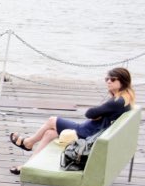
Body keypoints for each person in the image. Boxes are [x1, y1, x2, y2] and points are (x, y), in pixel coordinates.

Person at [7, 67, 135, 174]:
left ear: (122, 81)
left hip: (86, 133)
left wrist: (98, 114)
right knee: (49, 133)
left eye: (112, 79)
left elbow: (89, 113)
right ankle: (28, 166)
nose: (108, 82)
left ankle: (28, 142)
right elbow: (96, 114)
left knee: (52, 120)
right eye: (107, 79)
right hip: (92, 132)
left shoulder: (117, 101)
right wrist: (100, 114)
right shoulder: (126, 98)